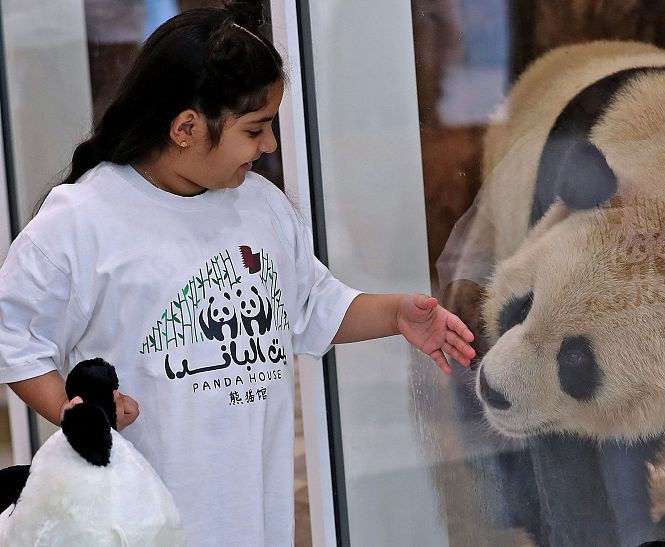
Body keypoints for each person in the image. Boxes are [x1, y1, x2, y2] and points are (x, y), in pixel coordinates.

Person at [0, 2, 476, 545]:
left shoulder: (261, 206)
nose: (270, 145)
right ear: (186, 127)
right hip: (139, 525)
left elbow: (309, 305)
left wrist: (395, 314)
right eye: (256, 129)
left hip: (256, 521)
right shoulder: (82, 221)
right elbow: (14, 336)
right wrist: (77, 417)